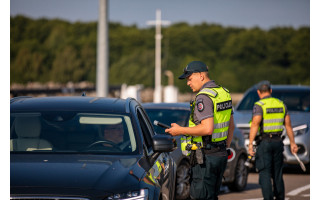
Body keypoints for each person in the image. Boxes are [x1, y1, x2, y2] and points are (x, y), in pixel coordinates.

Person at [165, 61, 235, 200]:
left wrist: (180, 130)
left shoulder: (204, 97)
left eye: (190, 79)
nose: (188, 83)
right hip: (219, 155)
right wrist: (223, 147)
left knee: (200, 195)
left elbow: (207, 129)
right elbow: (231, 126)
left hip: (205, 158)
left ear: (201, 76)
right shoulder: (223, 93)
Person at [248, 81, 298, 200]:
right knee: (277, 174)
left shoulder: (259, 105)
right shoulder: (281, 104)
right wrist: (293, 143)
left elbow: (255, 124)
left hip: (265, 143)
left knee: (264, 173)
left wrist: (250, 144)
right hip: (278, 143)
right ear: (270, 91)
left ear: (259, 92)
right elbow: (288, 126)